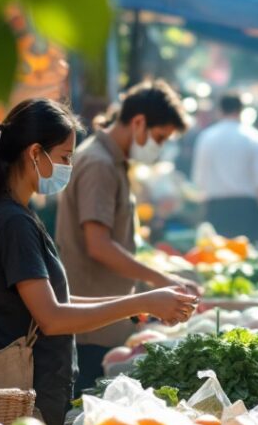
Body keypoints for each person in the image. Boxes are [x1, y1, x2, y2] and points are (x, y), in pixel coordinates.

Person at [0, 98, 198, 425]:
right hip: (24, 402)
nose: (69, 168)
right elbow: (52, 319)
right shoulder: (12, 222)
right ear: (35, 153)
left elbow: (52, 303)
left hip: (32, 393)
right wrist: (145, 298)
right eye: (64, 158)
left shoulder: (15, 215)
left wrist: (134, 305)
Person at [55, 81, 202, 392]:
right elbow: (99, 245)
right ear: (138, 122)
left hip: (106, 321)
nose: (159, 147)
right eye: (159, 137)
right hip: (92, 328)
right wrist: (161, 280)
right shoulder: (99, 164)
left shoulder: (112, 161)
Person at [192, 93, 258, 243]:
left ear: (219, 110)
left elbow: (200, 181)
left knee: (219, 258)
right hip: (246, 210)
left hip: (215, 209)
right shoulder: (254, 137)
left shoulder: (206, 138)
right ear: (241, 110)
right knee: (248, 259)